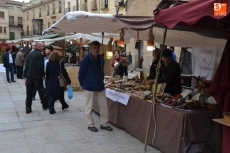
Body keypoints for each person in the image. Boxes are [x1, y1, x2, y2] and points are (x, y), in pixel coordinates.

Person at [78, 41, 113, 132]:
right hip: (89, 86)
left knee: (104, 106)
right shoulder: (86, 60)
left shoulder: (101, 58)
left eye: (97, 48)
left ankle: (104, 124)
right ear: (90, 49)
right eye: (94, 48)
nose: (96, 50)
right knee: (89, 107)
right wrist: (83, 85)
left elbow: (101, 72)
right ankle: (90, 124)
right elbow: (81, 74)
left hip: (100, 86)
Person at [23, 42, 48, 114]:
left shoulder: (30, 53)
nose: (43, 48)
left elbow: (26, 64)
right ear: (39, 47)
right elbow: (40, 67)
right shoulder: (39, 55)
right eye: (43, 46)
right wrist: (42, 75)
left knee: (29, 93)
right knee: (41, 91)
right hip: (36, 76)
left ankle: (28, 108)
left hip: (29, 76)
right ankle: (45, 105)